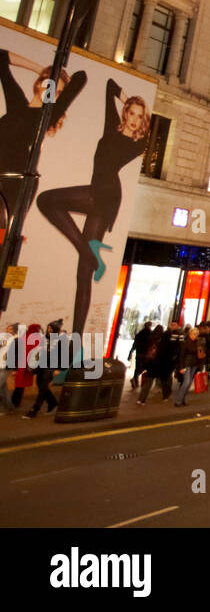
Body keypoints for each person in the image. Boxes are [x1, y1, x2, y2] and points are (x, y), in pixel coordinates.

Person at [36, 80, 150, 334]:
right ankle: (77, 335)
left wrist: (139, 107)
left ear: (143, 120)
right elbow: (109, 85)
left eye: (139, 117)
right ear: (125, 113)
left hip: (105, 194)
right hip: (99, 192)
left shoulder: (138, 144)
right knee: (83, 272)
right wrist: (129, 97)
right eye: (131, 113)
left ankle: (87, 254)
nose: (134, 119)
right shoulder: (112, 125)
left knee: (46, 200)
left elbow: (141, 127)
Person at [0, 52, 86, 268]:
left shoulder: (48, 115)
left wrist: (55, 80)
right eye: (50, 85)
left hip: (17, 183)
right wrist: (42, 69)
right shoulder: (17, 104)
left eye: (57, 92)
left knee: (2, 241)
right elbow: (1, 58)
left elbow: (81, 76)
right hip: (4, 177)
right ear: (41, 83)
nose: (52, 92)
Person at [22, 323, 60, 418]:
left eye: (51, 328)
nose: (49, 330)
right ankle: (53, 403)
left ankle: (35, 409)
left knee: (43, 387)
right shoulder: (43, 339)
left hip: (50, 366)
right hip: (41, 364)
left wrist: (57, 368)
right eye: (48, 328)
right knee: (39, 384)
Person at [172, 326, 205, 406]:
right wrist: (181, 367)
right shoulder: (185, 342)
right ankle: (178, 400)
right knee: (186, 382)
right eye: (194, 334)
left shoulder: (198, 343)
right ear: (190, 333)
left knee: (189, 383)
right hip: (186, 364)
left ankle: (183, 399)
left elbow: (201, 354)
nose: (195, 335)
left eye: (197, 334)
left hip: (194, 364)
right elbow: (181, 356)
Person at [127, 321, 152, 390]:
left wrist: (130, 353)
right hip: (144, 354)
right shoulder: (150, 334)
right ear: (149, 326)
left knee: (137, 367)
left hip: (138, 353)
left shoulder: (140, 333)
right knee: (144, 367)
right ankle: (135, 378)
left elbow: (135, 344)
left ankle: (135, 379)